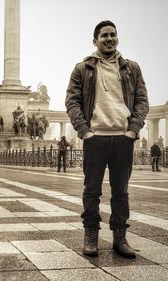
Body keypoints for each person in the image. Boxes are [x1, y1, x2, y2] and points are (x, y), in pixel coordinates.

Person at [65, 20, 149, 258]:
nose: (110, 39)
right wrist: (84, 131)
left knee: (121, 191)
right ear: (95, 41)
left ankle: (120, 238)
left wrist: (133, 129)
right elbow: (72, 101)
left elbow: (142, 100)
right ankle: (91, 235)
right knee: (92, 191)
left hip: (123, 138)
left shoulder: (132, 68)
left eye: (113, 35)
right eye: (104, 36)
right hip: (95, 138)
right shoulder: (82, 69)